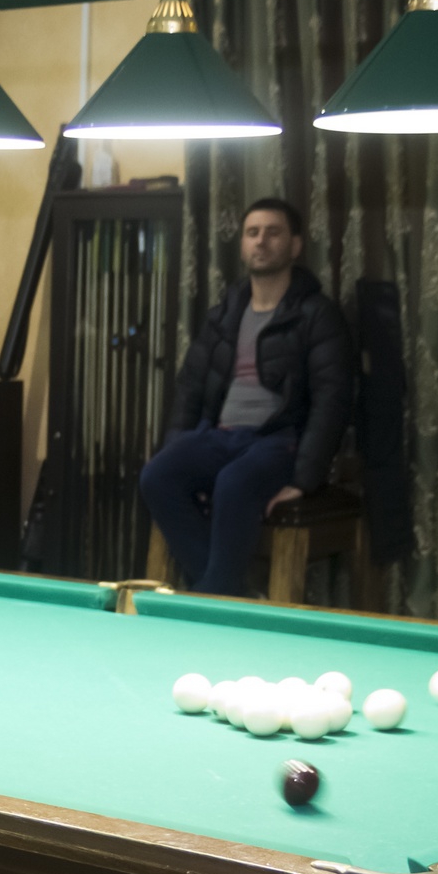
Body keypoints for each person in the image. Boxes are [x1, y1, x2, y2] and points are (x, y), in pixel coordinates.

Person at [139, 198, 354, 597]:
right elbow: (190, 388)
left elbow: (332, 400)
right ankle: (228, 594)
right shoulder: (224, 314)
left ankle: (212, 596)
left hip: (279, 440)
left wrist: (304, 480)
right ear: (241, 245)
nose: (261, 241)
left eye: (273, 232)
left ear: (295, 245)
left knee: (233, 483)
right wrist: (178, 451)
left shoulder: (317, 315)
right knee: (158, 475)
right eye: (252, 233)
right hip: (221, 435)